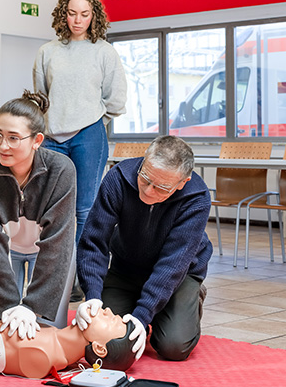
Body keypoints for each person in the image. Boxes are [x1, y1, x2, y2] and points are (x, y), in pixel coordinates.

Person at [75, 135, 212, 364]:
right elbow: (94, 240)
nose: (148, 191)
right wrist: (92, 295)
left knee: (173, 346)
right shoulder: (118, 178)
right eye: (145, 178)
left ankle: (187, 299)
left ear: (182, 182)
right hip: (126, 269)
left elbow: (173, 264)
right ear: (144, 161)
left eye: (161, 188)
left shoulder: (197, 199)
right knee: (97, 332)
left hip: (179, 274)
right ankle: (148, 303)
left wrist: (142, 314)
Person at [33, 0, 127, 301]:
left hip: (89, 134)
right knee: (54, 210)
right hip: (52, 138)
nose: (77, 20)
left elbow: (116, 98)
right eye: (72, 13)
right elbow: (40, 98)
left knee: (85, 210)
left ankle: (87, 281)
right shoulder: (48, 52)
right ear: (63, 14)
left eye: (84, 14)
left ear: (93, 16)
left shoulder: (104, 52)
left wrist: (96, 120)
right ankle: (60, 278)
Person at [0, 91, 76, 336]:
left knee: (47, 333)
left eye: (14, 138)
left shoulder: (61, 170)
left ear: (36, 140)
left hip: (49, 253)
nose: (3, 146)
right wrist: (9, 306)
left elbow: (57, 242)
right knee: (1, 331)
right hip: (4, 252)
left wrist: (33, 307)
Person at [0, 307, 135, 379]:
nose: (106, 310)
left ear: (99, 347)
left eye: (111, 319)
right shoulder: (54, 343)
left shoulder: (44, 354)